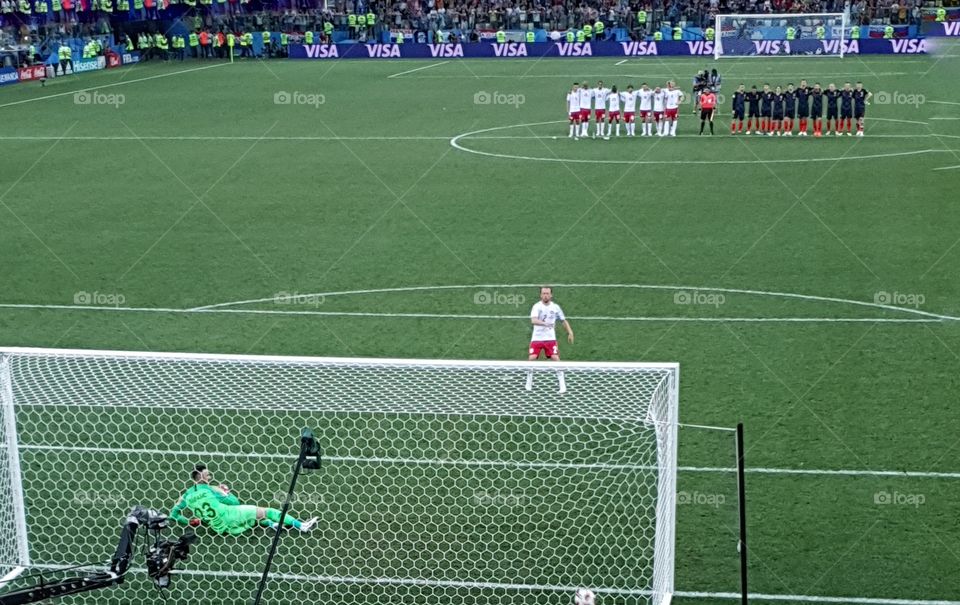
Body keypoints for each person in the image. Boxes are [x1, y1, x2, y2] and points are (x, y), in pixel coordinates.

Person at [170, 464, 317, 535]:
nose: (210, 477)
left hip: (220, 528)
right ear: (200, 477)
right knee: (268, 511)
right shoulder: (211, 489)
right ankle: (301, 526)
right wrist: (226, 491)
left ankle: (272, 525)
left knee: (252, 518)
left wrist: (190, 522)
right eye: (207, 475)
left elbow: (174, 515)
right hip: (230, 517)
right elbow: (235, 503)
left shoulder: (186, 496)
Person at [525, 286, 574, 394]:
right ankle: (528, 383)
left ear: (551, 295)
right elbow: (533, 320)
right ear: (540, 295)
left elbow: (563, 320)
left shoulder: (555, 307)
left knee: (556, 358)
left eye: (547, 293)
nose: (545, 295)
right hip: (537, 338)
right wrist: (545, 323)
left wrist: (570, 332)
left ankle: (562, 385)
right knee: (531, 359)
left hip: (550, 339)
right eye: (543, 293)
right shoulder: (536, 306)